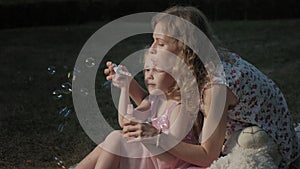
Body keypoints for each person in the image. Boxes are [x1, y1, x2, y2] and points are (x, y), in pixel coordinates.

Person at [76, 5, 300, 169]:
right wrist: (129, 85)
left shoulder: (215, 86)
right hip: (232, 131)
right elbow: (158, 104)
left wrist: (157, 137)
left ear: (184, 50)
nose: (152, 49)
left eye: (161, 43)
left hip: (264, 141)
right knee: (115, 140)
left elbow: (206, 155)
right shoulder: (195, 69)